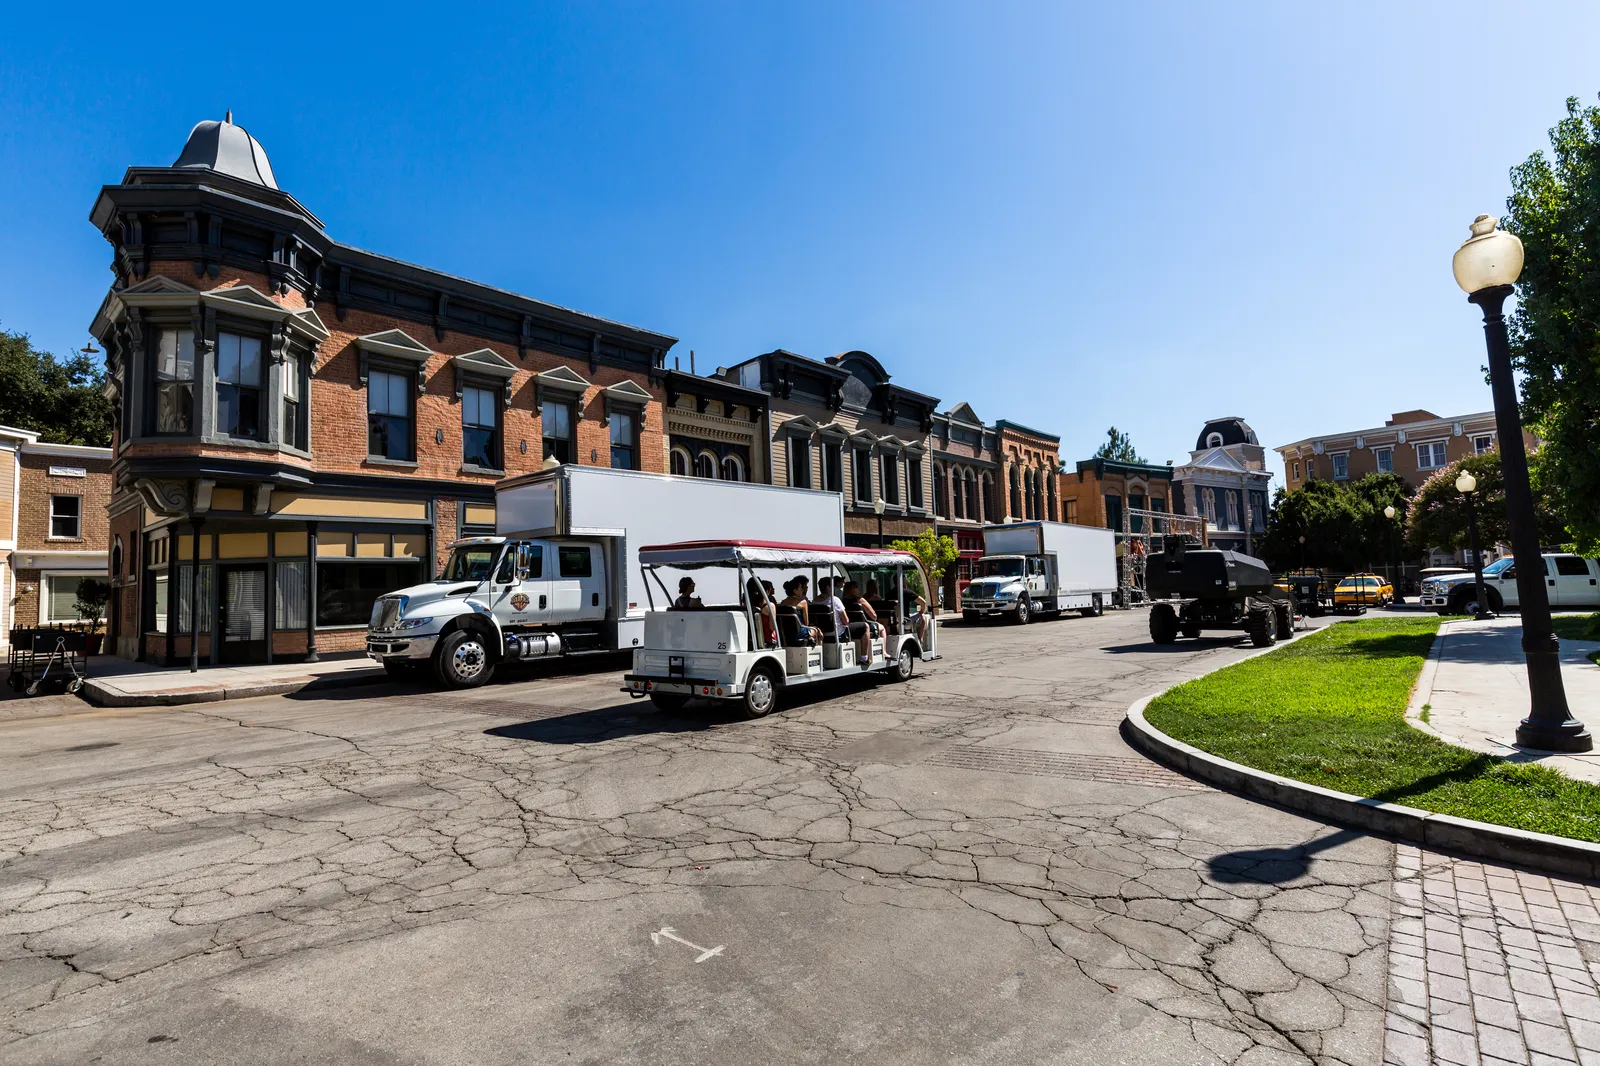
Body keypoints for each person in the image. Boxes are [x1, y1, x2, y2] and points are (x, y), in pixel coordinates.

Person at [840, 580, 880, 666]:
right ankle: (877, 654)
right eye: (857, 587)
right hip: (861, 627)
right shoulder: (860, 600)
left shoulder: (842, 601)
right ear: (853, 589)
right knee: (882, 628)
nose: (858, 589)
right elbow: (874, 616)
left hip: (849, 628)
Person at [778, 577, 822, 645]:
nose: (802, 590)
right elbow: (806, 623)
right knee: (819, 632)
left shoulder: (783, 603)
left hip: (786, 632)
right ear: (795, 590)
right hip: (800, 632)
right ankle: (820, 653)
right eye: (800, 588)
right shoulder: (803, 602)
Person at [745, 576, 779, 649]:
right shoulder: (770, 606)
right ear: (766, 591)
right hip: (768, 639)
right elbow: (772, 627)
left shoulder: (748, 605)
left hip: (754, 639)